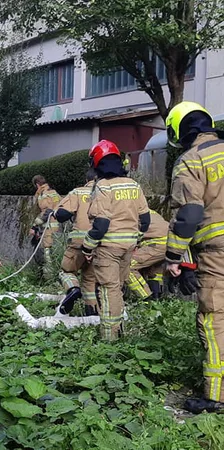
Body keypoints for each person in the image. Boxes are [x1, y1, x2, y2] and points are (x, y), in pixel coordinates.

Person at [164, 101, 224, 413]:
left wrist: (174, 257)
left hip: (218, 253)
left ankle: (216, 396)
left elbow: (189, 215)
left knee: (215, 319)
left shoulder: (192, 160)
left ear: (180, 130)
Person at [82, 140, 150, 341]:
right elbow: (145, 220)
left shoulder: (103, 186)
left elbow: (101, 224)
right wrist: (135, 239)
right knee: (118, 288)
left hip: (108, 248)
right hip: (128, 246)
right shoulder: (133, 185)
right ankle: (120, 328)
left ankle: (109, 339)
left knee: (108, 289)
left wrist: (87, 246)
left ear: (97, 162)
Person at [53, 169, 98, 315]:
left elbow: (62, 215)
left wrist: (54, 212)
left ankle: (73, 289)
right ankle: (91, 313)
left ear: (87, 180)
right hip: (100, 243)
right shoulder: (107, 193)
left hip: (79, 243)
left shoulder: (78, 192)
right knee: (90, 279)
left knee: (66, 271)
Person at [126, 209, 169, 301]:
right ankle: (157, 299)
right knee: (153, 272)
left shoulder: (128, 213)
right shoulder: (149, 211)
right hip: (169, 244)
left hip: (156, 244)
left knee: (127, 267)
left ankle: (145, 298)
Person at [29, 175, 61, 265]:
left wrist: (34, 226)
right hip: (57, 225)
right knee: (53, 250)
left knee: (47, 253)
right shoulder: (54, 192)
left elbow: (46, 211)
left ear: (37, 184)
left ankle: (48, 274)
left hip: (48, 226)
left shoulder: (44, 194)